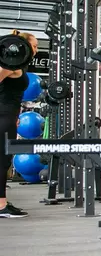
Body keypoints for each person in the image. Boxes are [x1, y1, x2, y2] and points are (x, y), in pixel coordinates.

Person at [0, 29, 38, 218]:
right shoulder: (10, 65)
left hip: (9, 115)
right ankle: (0, 206)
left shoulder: (17, 65)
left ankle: (2, 202)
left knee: (4, 159)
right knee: (1, 160)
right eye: (34, 45)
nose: (36, 50)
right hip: (3, 115)